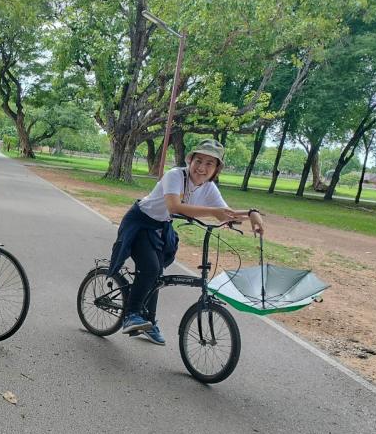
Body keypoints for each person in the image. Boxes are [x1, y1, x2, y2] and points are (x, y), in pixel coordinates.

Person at [107, 139, 265, 345]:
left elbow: (226, 215)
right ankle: (131, 314)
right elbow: (174, 207)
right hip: (140, 222)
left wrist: (252, 214)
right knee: (151, 269)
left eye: (210, 163)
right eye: (198, 160)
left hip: (161, 227)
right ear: (190, 161)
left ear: (216, 169)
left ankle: (148, 321)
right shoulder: (175, 176)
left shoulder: (208, 188)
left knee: (157, 275)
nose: (202, 167)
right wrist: (213, 212)